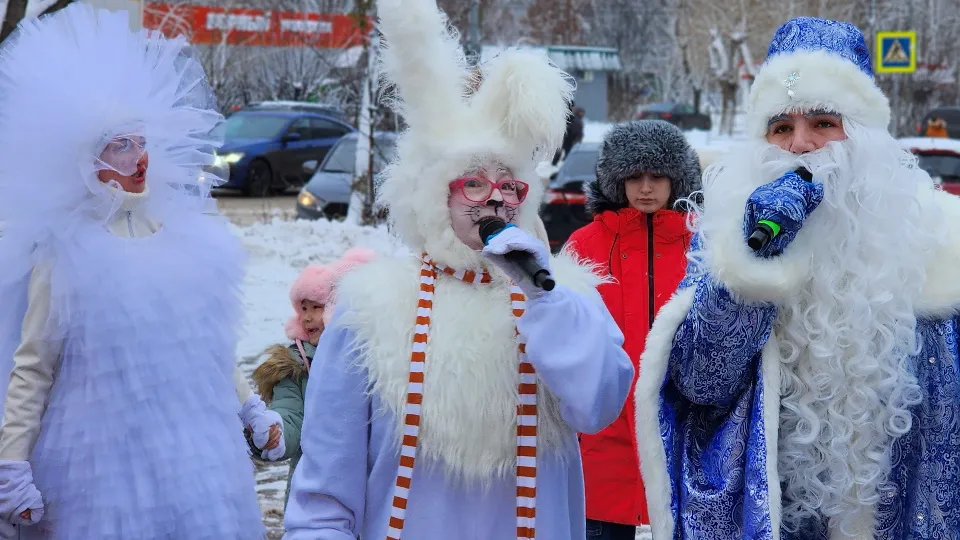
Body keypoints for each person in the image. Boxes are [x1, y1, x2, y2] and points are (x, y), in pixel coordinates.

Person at [281, 1, 634, 539]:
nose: (493, 200)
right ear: (433, 191)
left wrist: (546, 297)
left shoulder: (566, 294)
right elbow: (326, 484)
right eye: (472, 182)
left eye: (508, 185)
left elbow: (598, 405)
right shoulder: (374, 307)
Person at [635, 16, 960, 539]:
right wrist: (756, 263)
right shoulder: (730, 235)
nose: (801, 145)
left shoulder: (941, 241)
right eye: (782, 126)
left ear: (864, 133)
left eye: (824, 123)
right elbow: (701, 383)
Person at [0, 5, 275, 538]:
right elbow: (32, 368)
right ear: (89, 160)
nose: (139, 156)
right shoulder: (66, 253)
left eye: (141, 140)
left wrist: (250, 408)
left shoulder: (187, 238)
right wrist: (12, 463)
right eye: (121, 145)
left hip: (197, 458)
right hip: (102, 465)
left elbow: (205, 346)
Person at [565, 119, 700, 539]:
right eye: (634, 176)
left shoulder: (703, 244)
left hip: (685, 432)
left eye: (657, 175)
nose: (645, 187)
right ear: (614, 180)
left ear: (677, 179)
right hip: (603, 437)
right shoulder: (584, 245)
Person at [249, 247, 377, 507]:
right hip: (317, 491)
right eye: (302, 308)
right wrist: (276, 433)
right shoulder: (295, 364)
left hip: (373, 490)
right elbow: (290, 412)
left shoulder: (377, 358)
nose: (307, 317)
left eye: (316, 307)